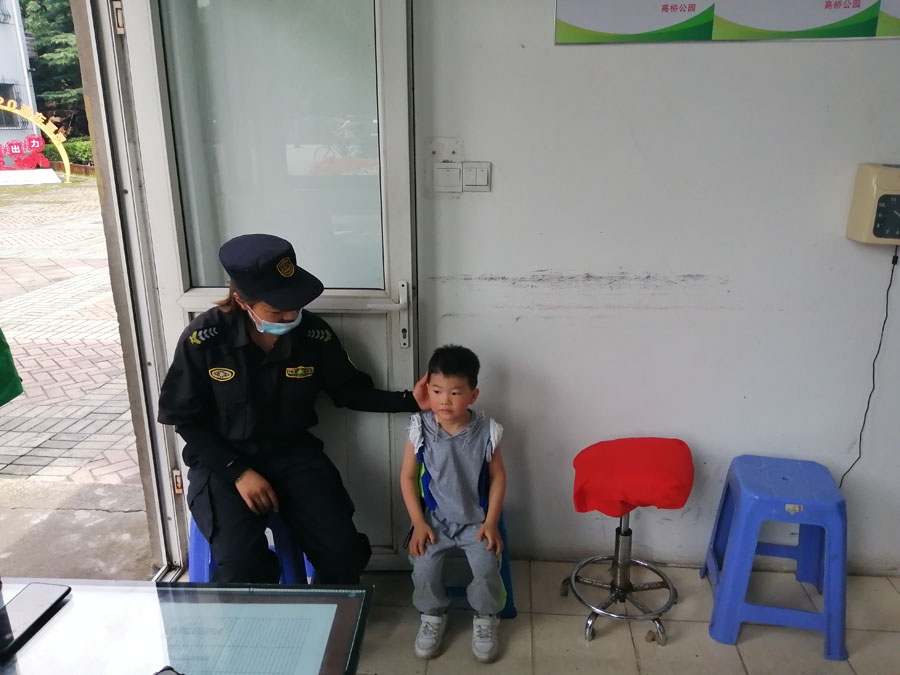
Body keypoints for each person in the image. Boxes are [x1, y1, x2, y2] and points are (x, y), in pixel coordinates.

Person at [157, 233, 428, 584]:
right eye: (277, 309)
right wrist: (238, 472)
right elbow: (185, 419)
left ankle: (325, 609)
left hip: (292, 456)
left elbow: (349, 392)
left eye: (295, 304)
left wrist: (411, 401)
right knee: (241, 568)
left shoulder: (312, 334)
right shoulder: (205, 339)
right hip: (223, 460)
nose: (290, 315)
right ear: (241, 301)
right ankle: (271, 609)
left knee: (344, 554)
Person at [399, 345, 508, 663]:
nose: (444, 401)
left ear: (473, 395)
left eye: (455, 393)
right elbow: (407, 477)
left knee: (486, 568)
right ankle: (432, 613)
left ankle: (486, 616)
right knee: (424, 566)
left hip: (477, 521)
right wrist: (418, 523)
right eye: (437, 391)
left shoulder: (487, 431)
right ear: (426, 390)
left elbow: (499, 477)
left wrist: (491, 522)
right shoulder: (419, 428)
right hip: (435, 520)